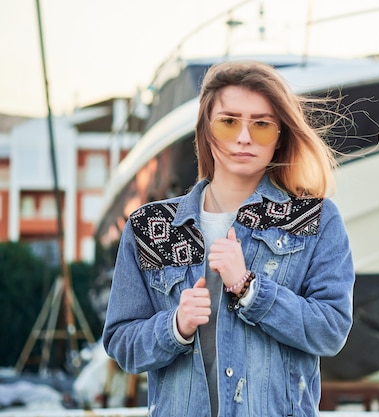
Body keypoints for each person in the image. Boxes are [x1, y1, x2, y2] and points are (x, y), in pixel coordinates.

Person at [102, 60, 355, 417]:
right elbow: (121, 343)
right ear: (206, 129)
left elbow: (331, 330)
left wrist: (250, 289)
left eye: (262, 125)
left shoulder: (315, 219)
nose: (244, 137)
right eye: (229, 122)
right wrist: (175, 326)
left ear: (280, 135)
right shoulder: (149, 226)